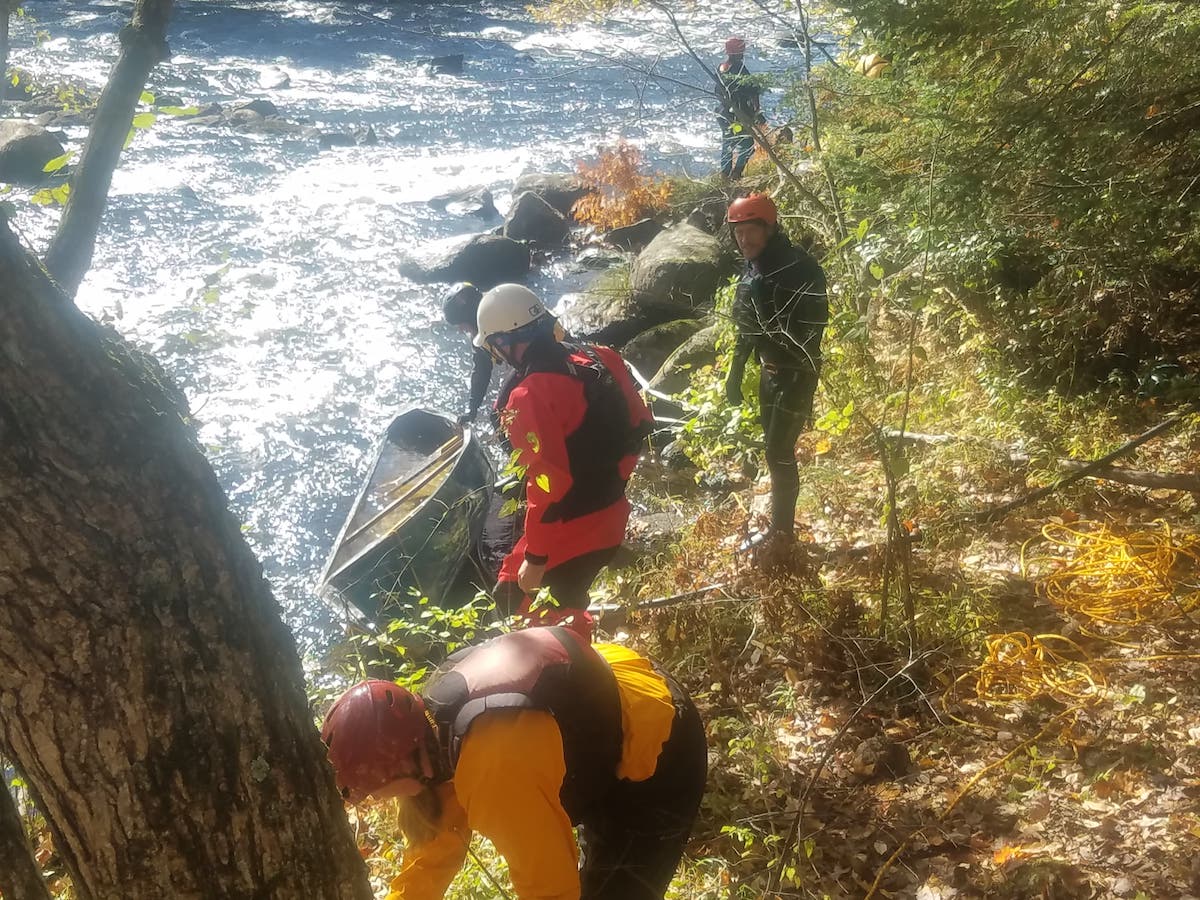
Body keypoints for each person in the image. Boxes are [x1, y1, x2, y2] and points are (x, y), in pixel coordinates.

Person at [321, 626, 707, 900]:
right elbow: (433, 850)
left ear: (396, 766)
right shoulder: (432, 733)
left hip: (658, 742)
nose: (375, 801)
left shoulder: (494, 772)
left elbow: (550, 890)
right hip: (611, 696)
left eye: (372, 793)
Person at [474, 284, 653, 624]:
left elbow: (549, 487)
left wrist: (536, 559)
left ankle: (573, 665)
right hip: (613, 514)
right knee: (569, 599)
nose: (496, 356)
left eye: (495, 347)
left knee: (518, 603)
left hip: (571, 533)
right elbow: (640, 425)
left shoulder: (526, 397)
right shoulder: (601, 356)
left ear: (505, 341)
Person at [723, 193, 827, 553]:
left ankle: (782, 534)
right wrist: (735, 373)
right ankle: (780, 527)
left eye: (750, 232)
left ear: (768, 228)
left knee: (778, 451)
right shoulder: (753, 270)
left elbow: (812, 332)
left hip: (796, 373)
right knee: (773, 451)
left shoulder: (801, 268)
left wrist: (794, 368)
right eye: (738, 234)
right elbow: (744, 328)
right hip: (769, 373)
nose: (744, 241)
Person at [440, 282, 493, 425]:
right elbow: (481, 371)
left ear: (471, 317)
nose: (460, 330)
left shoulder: (499, 320)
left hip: (547, 353)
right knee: (498, 414)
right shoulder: (480, 330)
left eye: (461, 324)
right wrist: (472, 408)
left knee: (500, 415)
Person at [715, 37, 766, 180]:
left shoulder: (720, 68)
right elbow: (753, 91)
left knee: (728, 143)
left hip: (723, 113)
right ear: (738, 53)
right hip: (739, 114)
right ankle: (736, 173)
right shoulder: (740, 70)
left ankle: (724, 175)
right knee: (748, 144)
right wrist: (757, 113)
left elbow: (717, 91)